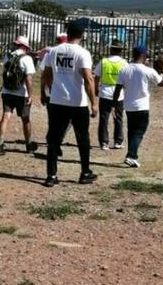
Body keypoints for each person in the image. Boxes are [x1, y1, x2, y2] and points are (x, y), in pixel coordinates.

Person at [40, 21, 97, 187]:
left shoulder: (54, 51)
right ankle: (85, 171)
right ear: (82, 35)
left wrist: (51, 89)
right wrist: (93, 102)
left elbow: (47, 73)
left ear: (68, 33)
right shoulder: (82, 53)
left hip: (57, 100)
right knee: (82, 137)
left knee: (53, 138)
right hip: (77, 102)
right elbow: (88, 78)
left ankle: (51, 175)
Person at [112, 45, 163, 168]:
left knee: (132, 131)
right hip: (142, 106)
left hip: (128, 106)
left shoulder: (124, 69)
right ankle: (131, 156)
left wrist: (114, 105)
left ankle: (132, 156)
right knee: (139, 132)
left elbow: (117, 89)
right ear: (143, 56)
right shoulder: (148, 70)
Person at [0, 36, 38, 156]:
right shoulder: (27, 59)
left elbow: (4, 73)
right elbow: (29, 79)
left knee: (5, 117)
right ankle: (29, 145)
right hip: (21, 93)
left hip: (7, 92)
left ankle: (0, 144)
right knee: (25, 119)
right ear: (25, 47)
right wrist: (30, 95)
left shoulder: (7, 56)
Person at [93, 39, 128, 150]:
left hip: (105, 92)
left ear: (111, 49)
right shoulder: (124, 63)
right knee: (118, 117)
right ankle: (118, 141)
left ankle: (104, 142)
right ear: (120, 51)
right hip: (119, 93)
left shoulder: (103, 62)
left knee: (104, 118)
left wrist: (96, 89)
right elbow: (127, 78)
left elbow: (96, 76)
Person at [39, 33, 68, 156]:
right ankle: (56, 142)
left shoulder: (51, 53)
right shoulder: (70, 53)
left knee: (53, 120)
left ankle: (53, 141)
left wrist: (42, 92)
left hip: (51, 92)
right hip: (63, 93)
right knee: (66, 120)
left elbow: (43, 75)